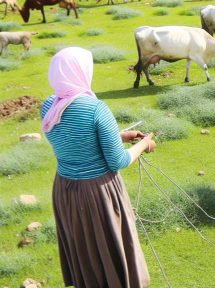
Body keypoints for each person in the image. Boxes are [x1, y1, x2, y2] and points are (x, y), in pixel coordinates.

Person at [40, 47, 155, 288]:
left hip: (65, 189)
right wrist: (144, 144)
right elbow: (118, 161)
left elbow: (75, 140)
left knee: (85, 246)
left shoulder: (50, 106)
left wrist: (120, 135)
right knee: (108, 244)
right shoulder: (95, 109)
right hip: (98, 193)